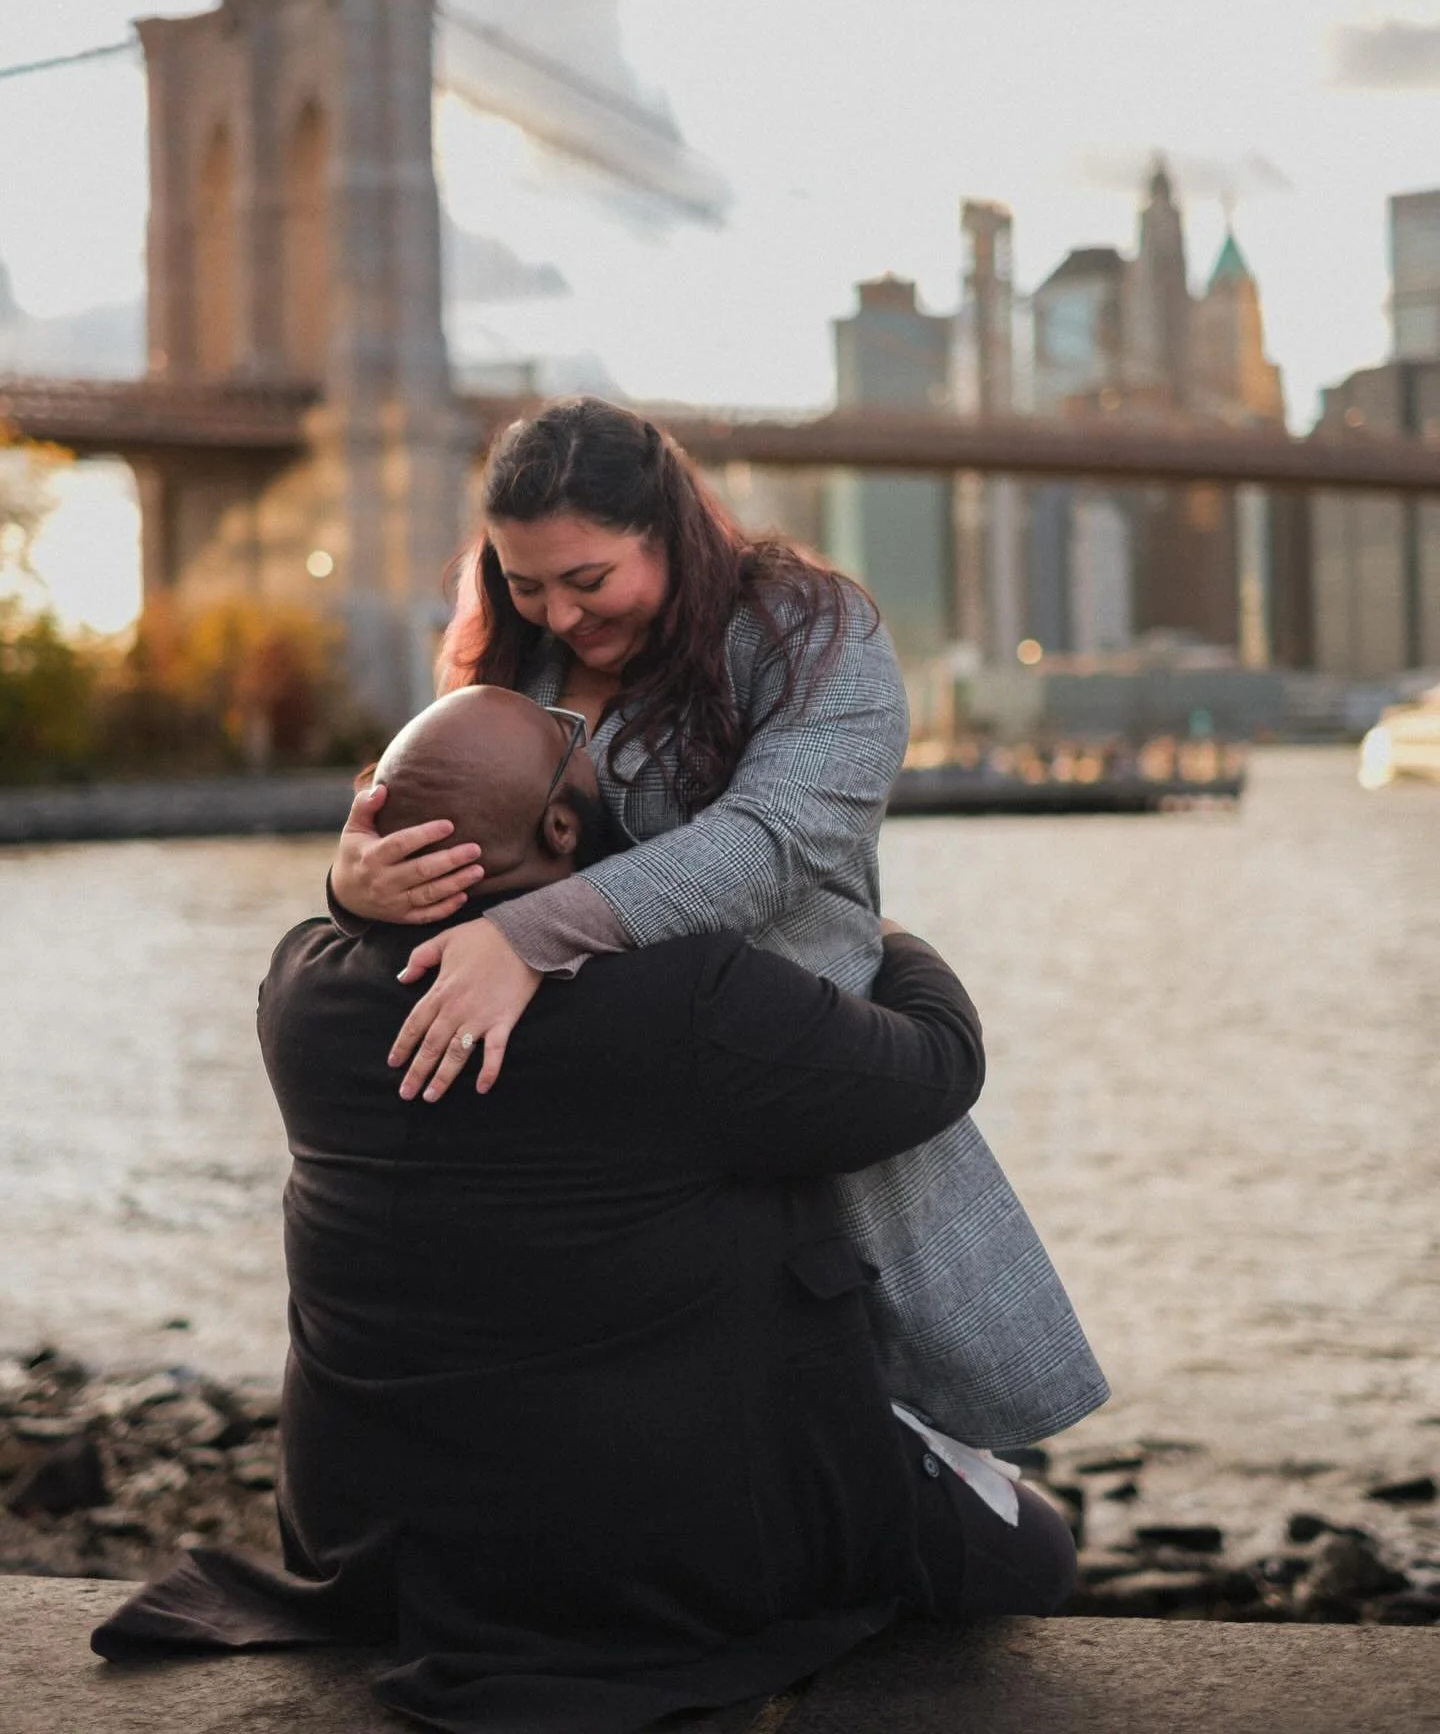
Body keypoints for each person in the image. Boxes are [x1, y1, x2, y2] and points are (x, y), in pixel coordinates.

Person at [91, 686, 1075, 1734]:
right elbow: (941, 1062)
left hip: (372, 1545)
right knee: (1038, 1547)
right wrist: (883, 934)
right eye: (573, 738)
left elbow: (345, 928)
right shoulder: (689, 1001)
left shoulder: (304, 990)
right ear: (563, 828)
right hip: (666, 1554)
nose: (590, 735)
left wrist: (349, 888)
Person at [331, 397, 1108, 1450]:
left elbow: (774, 840)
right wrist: (354, 881)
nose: (558, 616)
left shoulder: (814, 635)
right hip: (600, 1129)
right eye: (525, 583)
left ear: (668, 529)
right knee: (655, 1430)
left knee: (881, 1421)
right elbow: (445, 814)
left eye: (588, 579)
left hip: (801, 1076)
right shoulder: (512, 656)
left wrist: (529, 936)